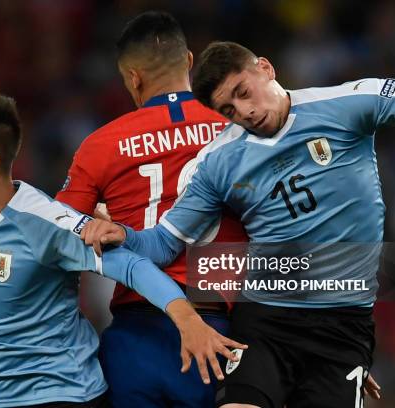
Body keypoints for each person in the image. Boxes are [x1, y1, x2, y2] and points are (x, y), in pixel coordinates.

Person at [79, 41, 395, 407]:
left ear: (265, 68)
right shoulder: (218, 160)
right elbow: (165, 243)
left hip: (343, 327)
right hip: (267, 322)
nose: (245, 111)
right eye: (228, 109)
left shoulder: (349, 103)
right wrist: (124, 234)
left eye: (243, 92)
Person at [0, 93, 246, 407]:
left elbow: (133, 266)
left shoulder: (45, 224)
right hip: (5, 397)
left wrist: (187, 320)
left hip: (67, 394)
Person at [55, 11, 247, 408]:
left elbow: (58, 235)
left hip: (133, 343)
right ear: (190, 62)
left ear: (133, 78)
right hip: (218, 336)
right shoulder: (238, 131)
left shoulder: (100, 145)